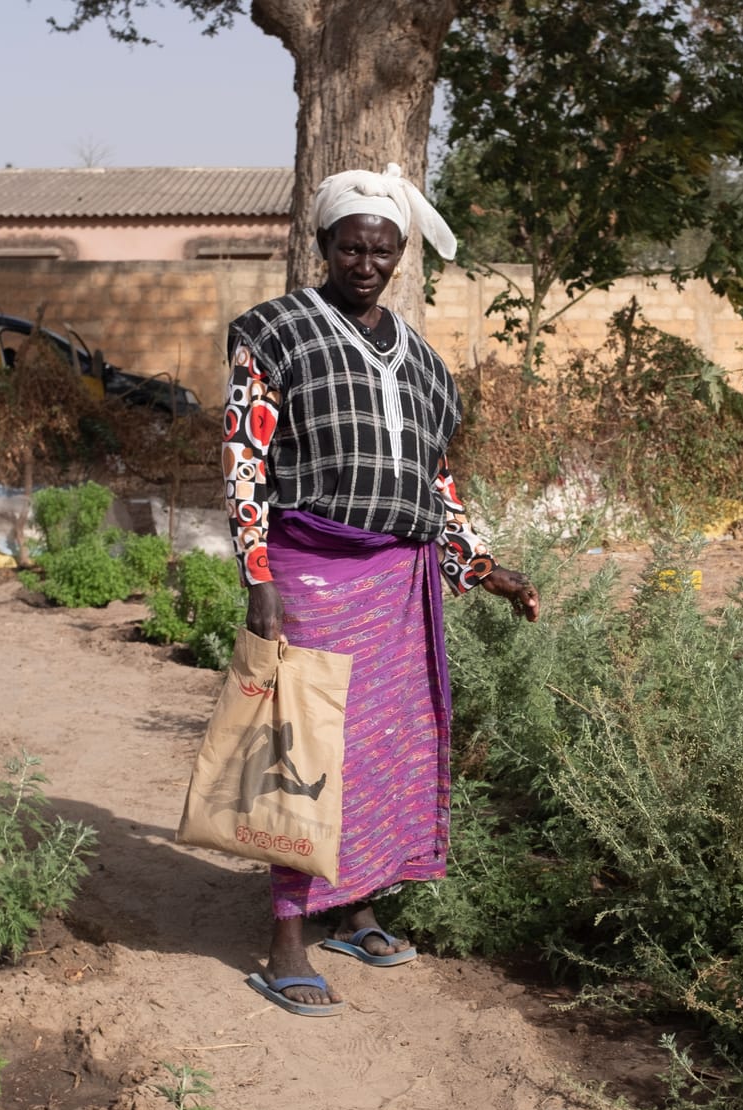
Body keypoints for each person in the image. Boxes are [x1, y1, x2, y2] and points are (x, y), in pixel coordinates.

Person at [218, 163, 539, 1016]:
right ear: (323, 245)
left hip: (399, 580)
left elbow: (437, 485)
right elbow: (245, 464)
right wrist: (258, 574)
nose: (366, 262)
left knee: (381, 748)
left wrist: (484, 568)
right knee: (305, 753)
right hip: (308, 571)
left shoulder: (428, 367)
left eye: (383, 249)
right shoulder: (274, 333)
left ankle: (355, 905)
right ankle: (286, 936)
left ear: (400, 257)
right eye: (351, 246)